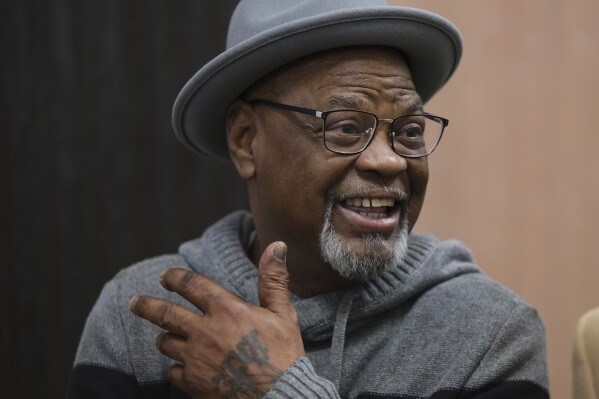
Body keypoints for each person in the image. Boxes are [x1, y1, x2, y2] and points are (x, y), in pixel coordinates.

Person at [67, 1, 550, 398]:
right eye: (345, 127)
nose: (390, 162)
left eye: (408, 131)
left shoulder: (490, 335)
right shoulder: (142, 321)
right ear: (245, 140)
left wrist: (276, 388)